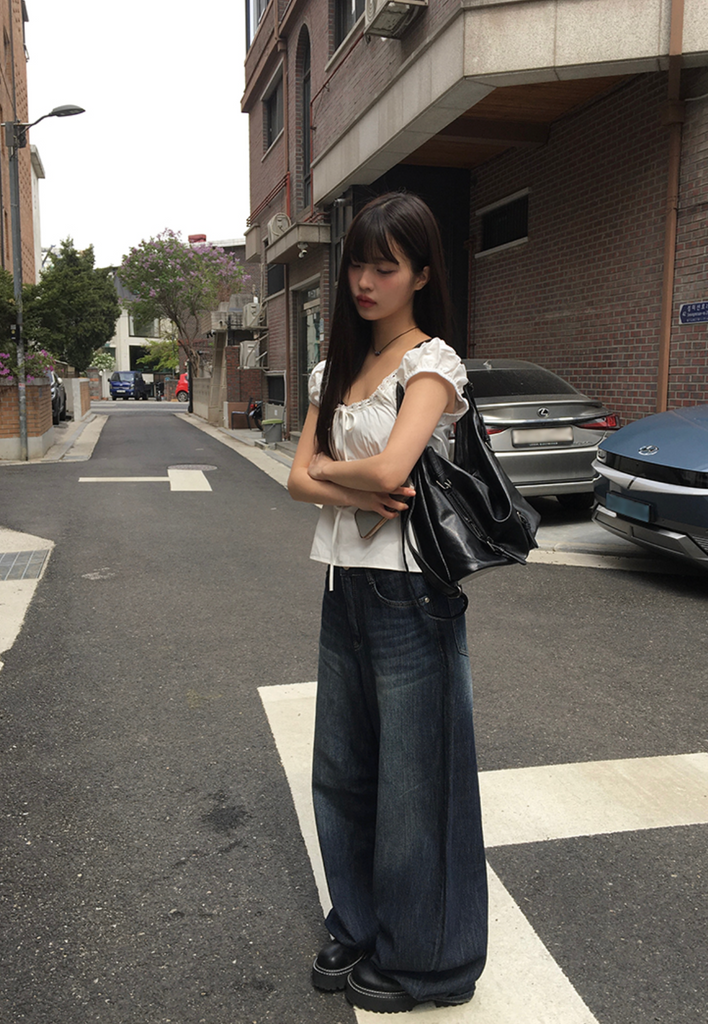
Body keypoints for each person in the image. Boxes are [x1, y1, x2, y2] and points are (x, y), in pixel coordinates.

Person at [287, 192, 488, 1014]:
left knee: (417, 785)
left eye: (386, 267)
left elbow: (391, 471)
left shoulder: (431, 365)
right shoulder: (335, 368)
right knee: (342, 772)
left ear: (422, 275)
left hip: (412, 593)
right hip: (344, 585)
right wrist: (345, 483)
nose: (366, 282)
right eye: (357, 267)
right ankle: (359, 923)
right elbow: (296, 480)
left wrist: (333, 473)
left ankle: (430, 962)